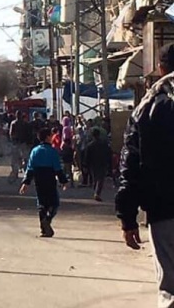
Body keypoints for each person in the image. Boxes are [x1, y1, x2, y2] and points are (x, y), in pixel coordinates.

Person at [116, 43, 174, 307]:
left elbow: (131, 167)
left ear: (161, 68)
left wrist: (128, 219)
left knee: (170, 290)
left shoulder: (147, 108)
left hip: (164, 213)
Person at [20, 127, 69, 238]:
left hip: (38, 180)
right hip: (50, 179)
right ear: (47, 137)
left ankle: (43, 229)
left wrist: (25, 183)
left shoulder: (34, 151)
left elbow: (30, 169)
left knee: (42, 203)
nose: (53, 137)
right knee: (54, 203)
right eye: (51, 135)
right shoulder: (52, 151)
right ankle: (47, 219)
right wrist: (63, 181)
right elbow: (57, 168)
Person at [84, 128, 111, 202]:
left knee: (95, 178)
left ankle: (96, 191)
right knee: (100, 179)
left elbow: (87, 156)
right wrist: (109, 163)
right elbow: (108, 154)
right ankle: (97, 193)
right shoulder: (104, 144)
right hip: (102, 163)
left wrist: (85, 165)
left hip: (93, 164)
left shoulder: (90, 145)